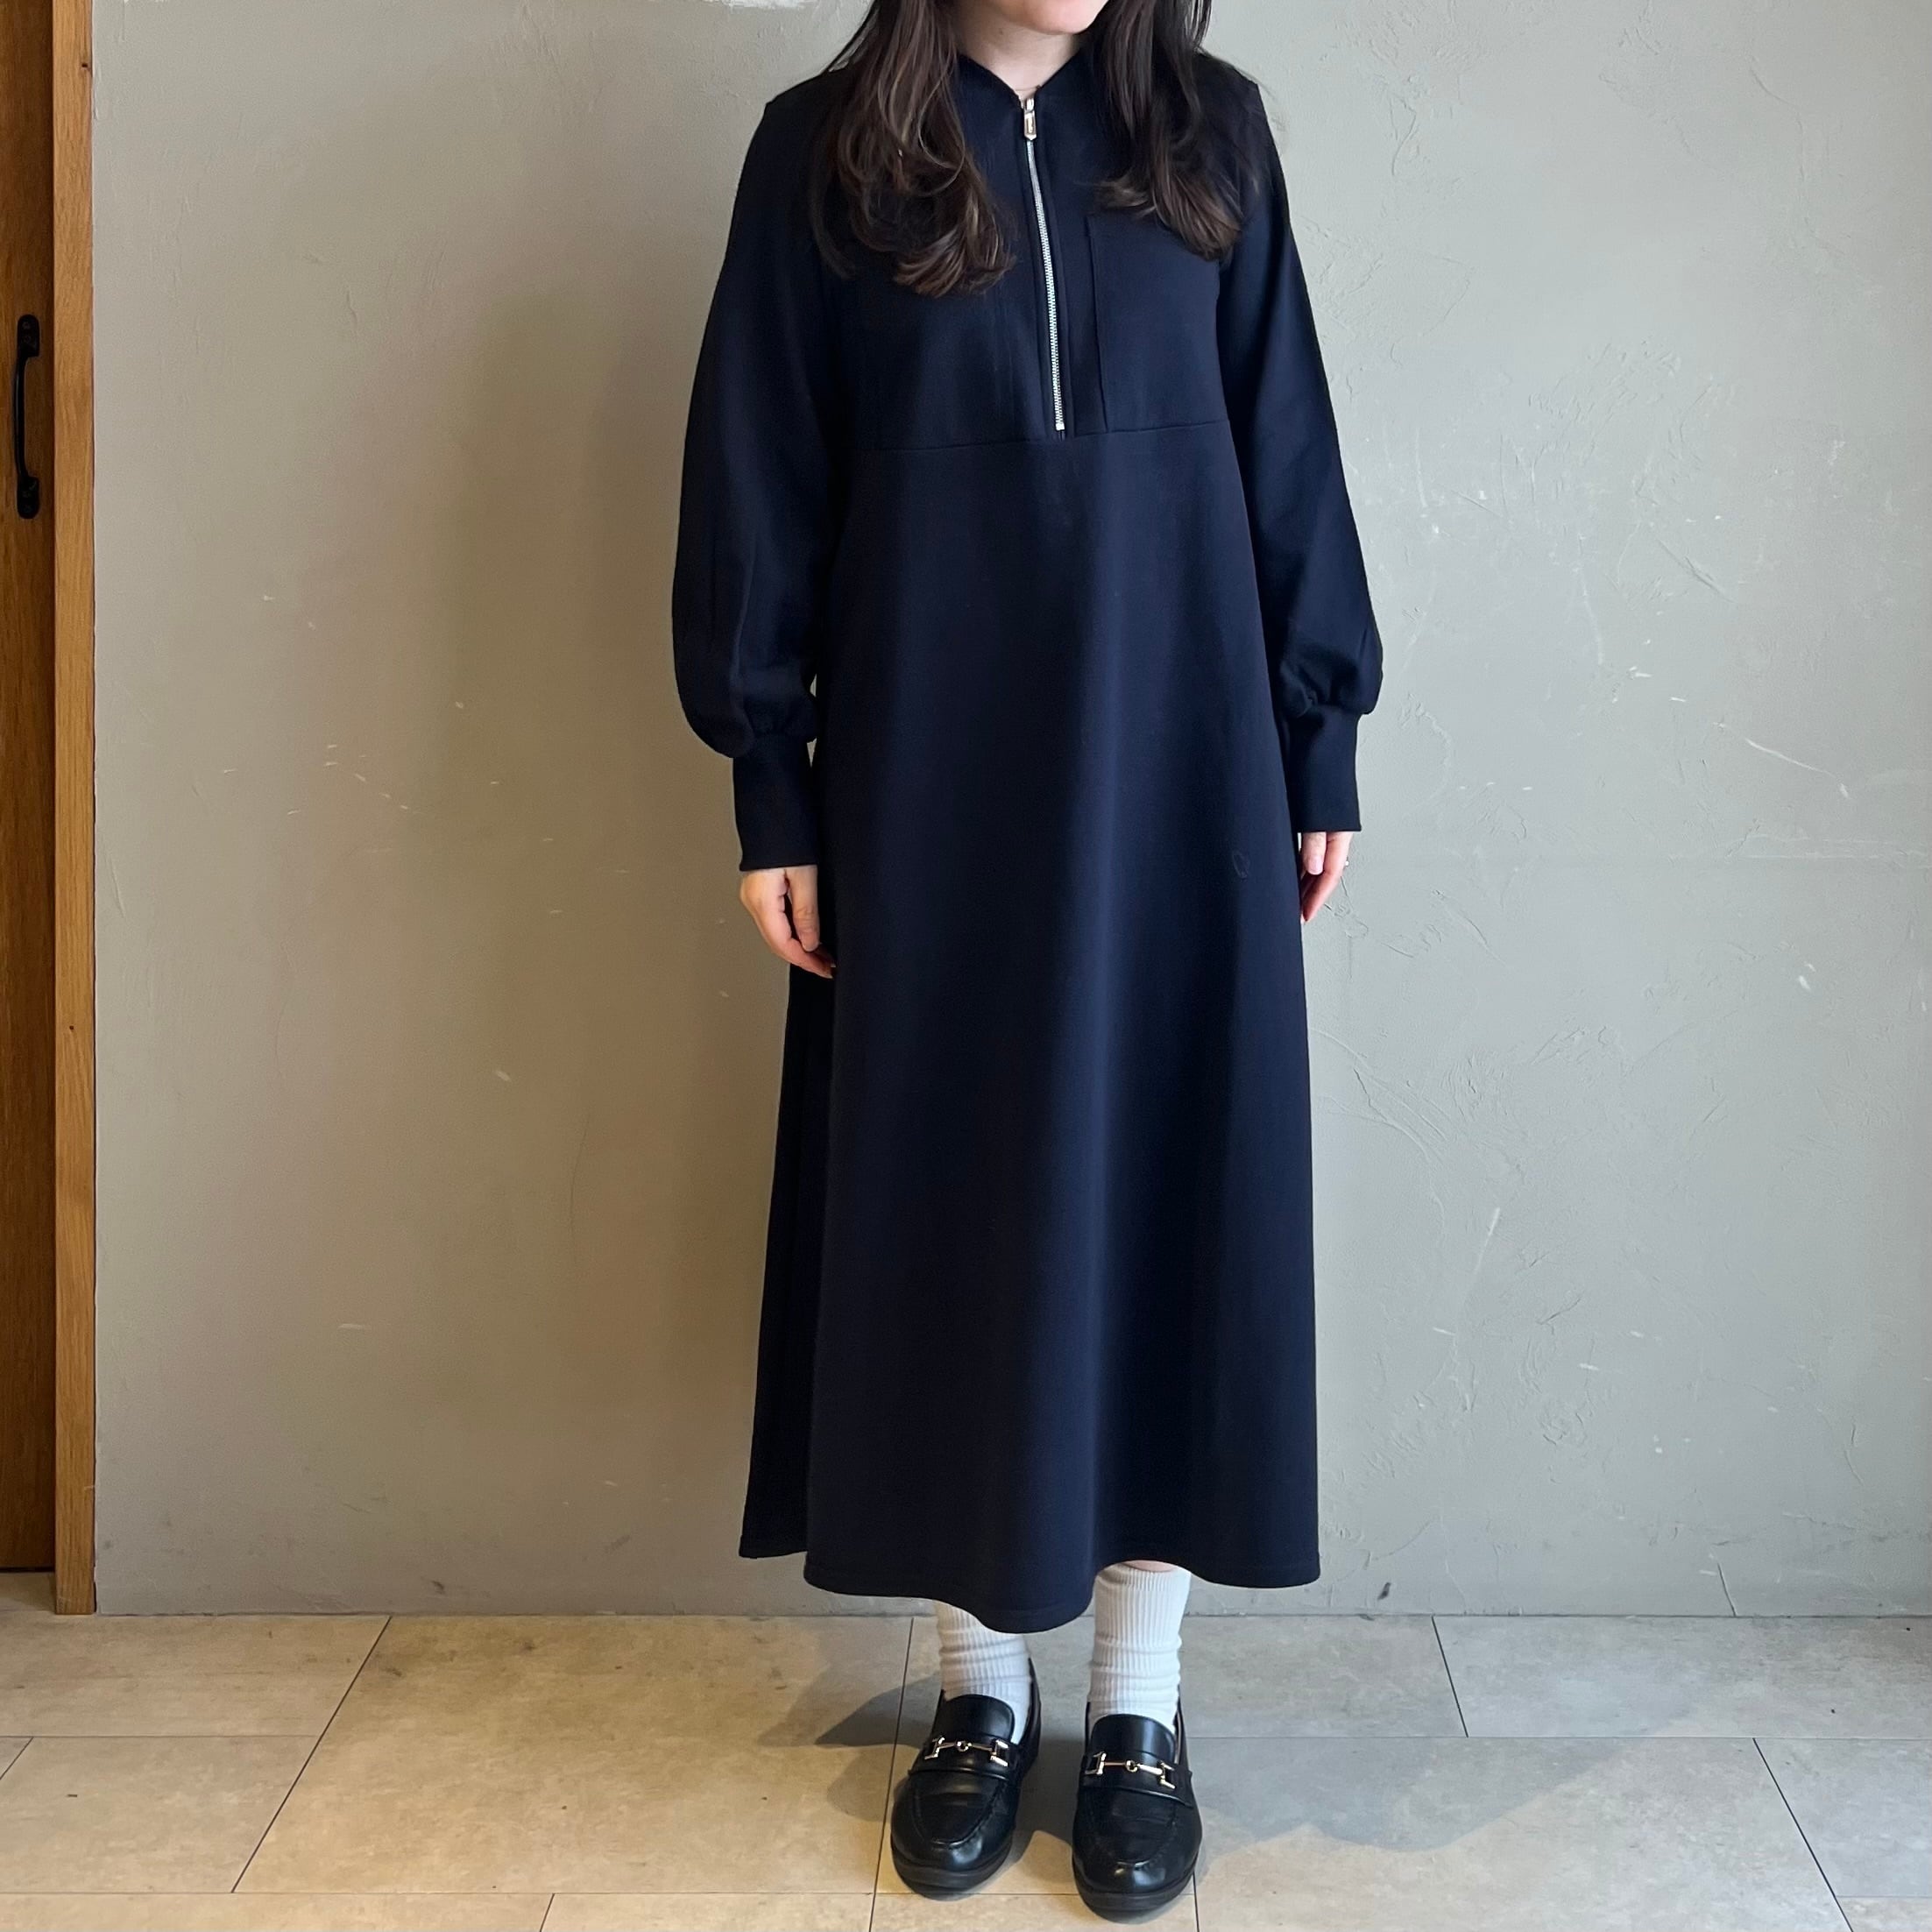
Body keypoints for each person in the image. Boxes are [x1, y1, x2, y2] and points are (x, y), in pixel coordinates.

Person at [673, 0, 1382, 1912]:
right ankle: (978, 1690)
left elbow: (1284, 440)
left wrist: (1315, 735)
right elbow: (759, 470)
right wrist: (771, 785)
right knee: (950, 1209)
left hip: (1182, 763)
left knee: (1165, 1202)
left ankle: (1138, 1701)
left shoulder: (1210, 134)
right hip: (928, 776)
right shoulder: (820, 152)